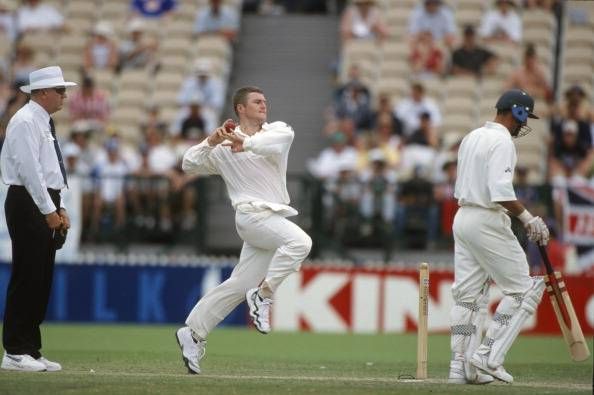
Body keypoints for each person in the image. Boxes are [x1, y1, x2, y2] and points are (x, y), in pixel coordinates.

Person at [176, 86, 312, 374]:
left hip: (269, 219)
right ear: (240, 108)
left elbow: (279, 139)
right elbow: (188, 164)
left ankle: (193, 332)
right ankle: (264, 295)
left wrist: (243, 142)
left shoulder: (276, 130)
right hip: (251, 216)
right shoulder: (222, 146)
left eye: (265, 100)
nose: (264, 105)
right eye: (257, 101)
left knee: (239, 285)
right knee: (300, 243)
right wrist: (210, 141)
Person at [448, 89, 549, 384]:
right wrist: (528, 219)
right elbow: (500, 191)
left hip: (463, 217)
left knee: (467, 298)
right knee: (524, 291)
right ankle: (489, 355)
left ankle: (461, 367)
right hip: (486, 220)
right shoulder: (502, 141)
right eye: (524, 117)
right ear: (516, 112)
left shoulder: (472, 136)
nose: (523, 124)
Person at [0, 66, 76, 372]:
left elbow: (50, 170)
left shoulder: (42, 121)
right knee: (27, 274)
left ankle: (30, 347)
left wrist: (61, 206)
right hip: (28, 200)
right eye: (59, 90)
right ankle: (15, 351)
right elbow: (29, 171)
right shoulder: (25, 121)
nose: (64, 96)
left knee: (41, 277)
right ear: (42, 92)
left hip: (44, 199)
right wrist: (48, 210)